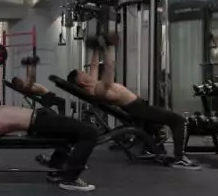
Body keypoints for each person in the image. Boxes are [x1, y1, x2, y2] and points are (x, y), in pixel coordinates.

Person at [0, 63, 99, 192]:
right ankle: (70, 179)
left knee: (71, 135)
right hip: (40, 122)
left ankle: (56, 170)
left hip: (40, 121)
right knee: (89, 133)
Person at [73, 34, 200, 170]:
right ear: (81, 82)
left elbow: (94, 65)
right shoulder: (97, 89)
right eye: (81, 73)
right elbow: (109, 68)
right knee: (179, 120)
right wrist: (106, 48)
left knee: (156, 126)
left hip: (138, 107)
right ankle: (179, 158)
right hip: (138, 109)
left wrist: (96, 48)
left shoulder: (93, 84)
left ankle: (152, 148)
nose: (85, 72)